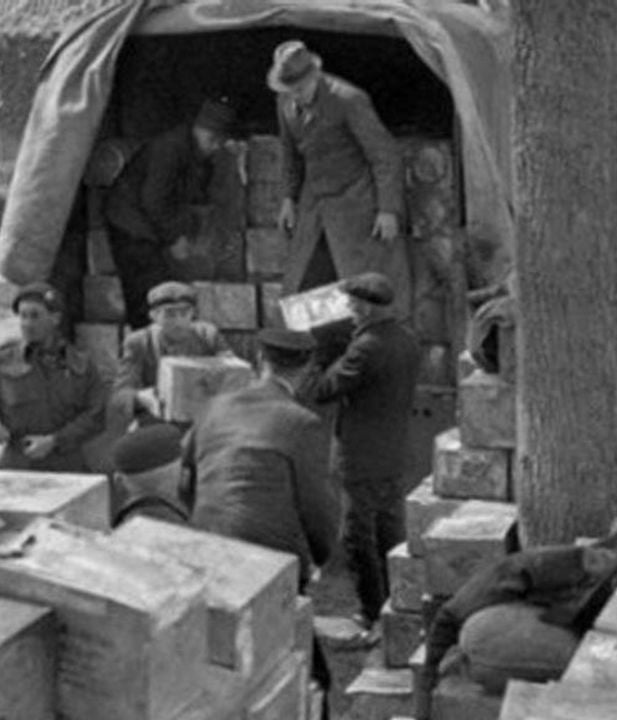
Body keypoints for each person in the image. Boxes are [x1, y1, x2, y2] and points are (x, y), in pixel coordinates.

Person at [179, 327, 339, 704]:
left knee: (221, 660)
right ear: (308, 371)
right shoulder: (301, 422)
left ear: (259, 360)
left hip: (210, 547)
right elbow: (317, 506)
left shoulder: (214, 407)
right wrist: (317, 556)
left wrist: (201, 527)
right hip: (268, 557)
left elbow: (186, 480)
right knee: (304, 675)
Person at [412, 520, 617, 720]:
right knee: (479, 636)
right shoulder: (561, 567)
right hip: (489, 634)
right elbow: (452, 614)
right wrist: (428, 686)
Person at [310, 272, 420, 640]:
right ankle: (396, 603)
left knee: (358, 536)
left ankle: (371, 611)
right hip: (392, 452)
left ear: (367, 308)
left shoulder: (365, 347)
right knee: (390, 531)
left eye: (353, 305)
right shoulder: (406, 339)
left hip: (360, 456)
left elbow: (323, 390)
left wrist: (325, 351)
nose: (349, 310)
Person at [269, 40, 411, 318]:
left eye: (300, 89)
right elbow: (290, 154)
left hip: (355, 203)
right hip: (315, 205)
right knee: (304, 281)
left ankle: (372, 338)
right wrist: (288, 197)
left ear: (314, 77)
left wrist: (388, 209)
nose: (295, 96)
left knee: (362, 285)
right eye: (289, 90)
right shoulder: (285, 102)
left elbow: (385, 155)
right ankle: (312, 344)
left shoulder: (348, 99)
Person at [0, 283, 109, 472]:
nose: (27, 323)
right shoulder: (4, 359)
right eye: (23, 316)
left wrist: (55, 440)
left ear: (55, 319)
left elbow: (97, 414)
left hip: (68, 462)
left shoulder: (80, 364)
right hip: (19, 462)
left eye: (35, 316)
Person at [104, 99, 235, 328]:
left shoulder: (196, 153)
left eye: (220, 142)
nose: (215, 147)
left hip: (149, 223)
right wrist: (175, 237)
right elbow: (155, 201)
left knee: (161, 291)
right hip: (130, 223)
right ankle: (147, 342)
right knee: (151, 292)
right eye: (212, 139)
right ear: (198, 129)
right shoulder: (170, 149)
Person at [113, 281, 233, 427]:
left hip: (204, 418)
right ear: (154, 315)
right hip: (158, 419)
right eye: (169, 314)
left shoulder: (208, 336)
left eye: (184, 313)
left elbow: (235, 371)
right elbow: (120, 394)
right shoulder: (139, 342)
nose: (178, 321)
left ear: (193, 313)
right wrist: (141, 398)